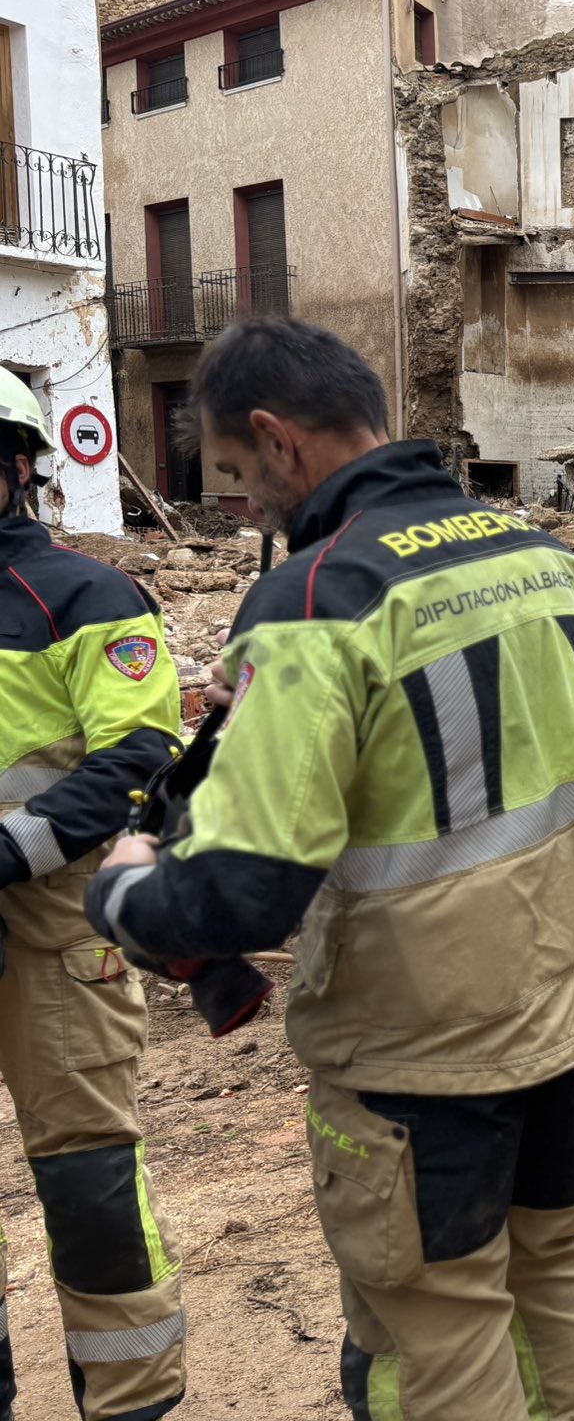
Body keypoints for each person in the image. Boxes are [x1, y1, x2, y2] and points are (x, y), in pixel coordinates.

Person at [85, 318, 574, 1421]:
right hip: (567, 1005)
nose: (245, 504)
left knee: (434, 1333)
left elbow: (244, 892)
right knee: (548, 1277)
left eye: (238, 473)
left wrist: (126, 886)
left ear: (278, 439)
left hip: (421, 1046)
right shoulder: (536, 556)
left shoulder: (314, 598)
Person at [0, 373, 189, 1419]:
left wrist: (8, 850)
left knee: (89, 1180)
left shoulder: (85, 599)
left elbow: (140, 754)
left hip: (55, 936)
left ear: (18, 467)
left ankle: (131, 1398)